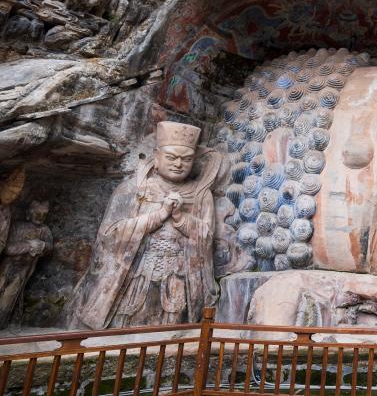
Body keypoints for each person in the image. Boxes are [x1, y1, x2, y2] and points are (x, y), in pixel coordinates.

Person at [71, 122, 221, 329]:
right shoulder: (135, 188)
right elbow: (110, 233)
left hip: (179, 272)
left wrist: (180, 217)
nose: (179, 164)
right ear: (157, 157)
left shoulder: (201, 195)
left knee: (173, 322)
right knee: (127, 319)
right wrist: (159, 215)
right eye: (171, 157)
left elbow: (206, 236)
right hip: (137, 269)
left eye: (186, 159)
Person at [0, 201, 52, 327]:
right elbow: (8, 248)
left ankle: (2, 322)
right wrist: (29, 246)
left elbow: (50, 248)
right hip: (8, 266)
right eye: (37, 213)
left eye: (44, 214)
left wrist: (43, 246)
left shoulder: (44, 230)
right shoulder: (18, 226)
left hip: (24, 269)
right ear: (29, 213)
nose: (40, 217)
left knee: (10, 296)